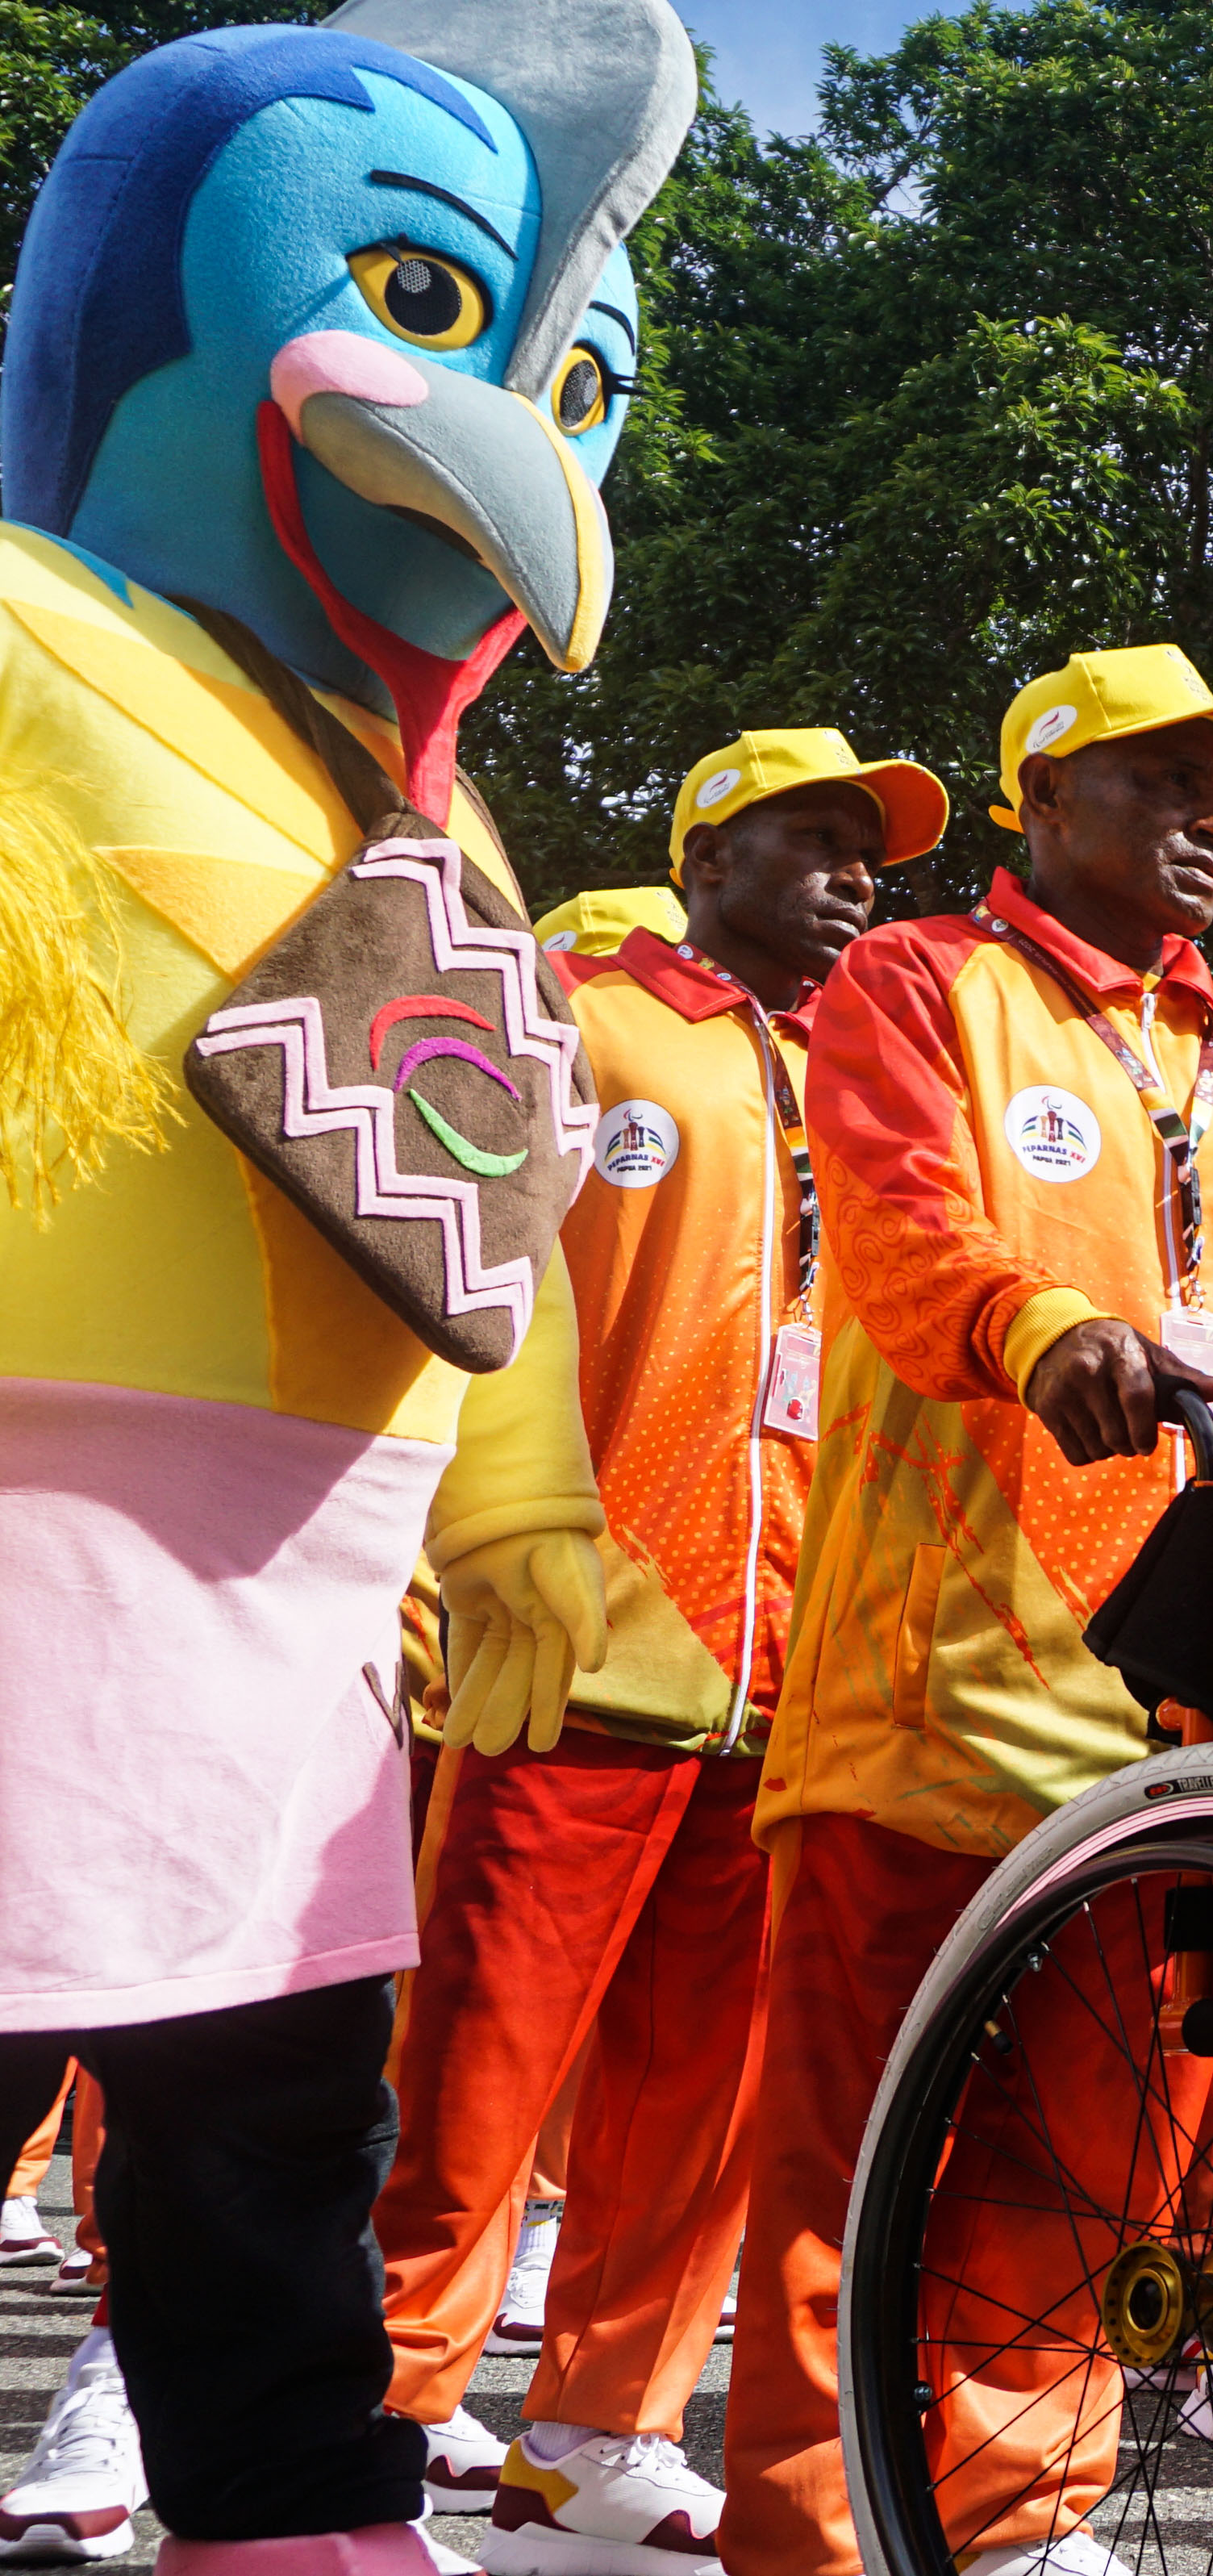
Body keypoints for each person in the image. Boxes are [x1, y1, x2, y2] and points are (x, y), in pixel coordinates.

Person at [0, 10, 694, 2573]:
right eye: (414, 285)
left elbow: (462, 1241)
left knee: (272, 2153)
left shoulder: (455, 835)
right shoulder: (23, 641)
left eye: (577, 375)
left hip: (284, 1667)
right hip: (23, 1564)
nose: (518, 417)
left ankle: (299, 2521)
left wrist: (519, 1526)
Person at [722, 645, 1213, 2576]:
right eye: (1165, 786)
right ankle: (815, 2525)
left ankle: (1021, 2512)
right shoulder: (925, 988)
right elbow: (911, 1228)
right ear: (1046, 799)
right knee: (856, 2152)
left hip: (1184, 1719)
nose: (1212, 825)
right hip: (941, 1691)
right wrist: (1040, 1322)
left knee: (1097, 2155)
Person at [370, 730, 942, 2570]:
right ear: (706, 851)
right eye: (816, 840)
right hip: (591, 1638)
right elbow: (458, 1269)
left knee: (706, 2089)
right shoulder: (580, 1011)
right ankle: (377, 2424)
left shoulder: (883, 1085)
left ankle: (598, 2438)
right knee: (478, 2062)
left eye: (874, 853)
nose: (857, 876)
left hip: (797, 1666)